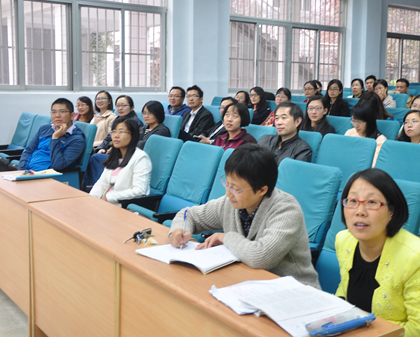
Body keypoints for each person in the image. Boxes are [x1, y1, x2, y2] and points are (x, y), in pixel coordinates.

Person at [168, 144, 320, 288]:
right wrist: (180, 229)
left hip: (295, 292)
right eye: (227, 184)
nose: (228, 193)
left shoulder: (286, 209)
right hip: (248, 285)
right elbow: (189, 214)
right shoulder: (231, 203)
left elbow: (261, 257)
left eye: (235, 188)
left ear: (262, 190)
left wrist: (225, 237)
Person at [335, 168, 420, 336]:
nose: (359, 211)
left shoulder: (417, 258)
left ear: (391, 211)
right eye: (352, 201)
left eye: (371, 202)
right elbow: (344, 291)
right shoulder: (344, 240)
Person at [82, 95, 144, 191]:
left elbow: (134, 142)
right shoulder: (118, 119)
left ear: (132, 108)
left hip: (123, 155)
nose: (120, 108)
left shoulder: (134, 122)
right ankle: (92, 187)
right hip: (111, 151)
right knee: (96, 155)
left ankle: (94, 188)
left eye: (123, 105)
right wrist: (101, 148)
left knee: (95, 158)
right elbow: (108, 137)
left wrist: (116, 149)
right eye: (118, 105)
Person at [89, 117, 152, 206]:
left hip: (122, 206)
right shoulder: (115, 156)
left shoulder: (141, 158)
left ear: (133, 135)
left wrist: (109, 197)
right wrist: (91, 199)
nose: (116, 135)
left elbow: (140, 191)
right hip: (104, 205)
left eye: (121, 132)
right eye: (113, 132)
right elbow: (102, 183)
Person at [18, 98, 86, 172]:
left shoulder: (76, 139)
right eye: (53, 112)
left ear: (72, 115)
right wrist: (21, 171)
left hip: (49, 176)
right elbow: (28, 151)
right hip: (29, 173)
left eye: (62, 111)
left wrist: (55, 138)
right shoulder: (44, 129)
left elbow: (58, 166)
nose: (57, 115)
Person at [345, 102, 387, 166]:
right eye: (353, 121)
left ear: (369, 121)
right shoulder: (350, 132)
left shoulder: (380, 140)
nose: (356, 125)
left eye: (359, 122)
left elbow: (374, 165)